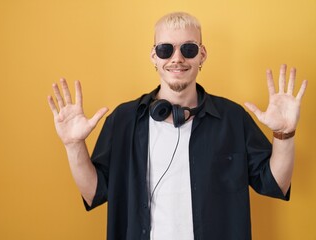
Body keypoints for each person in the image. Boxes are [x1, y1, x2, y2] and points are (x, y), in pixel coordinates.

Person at [47, 12, 308, 240]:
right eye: (165, 49)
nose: (177, 58)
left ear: (202, 54)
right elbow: (94, 192)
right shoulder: (123, 120)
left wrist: (284, 134)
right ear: (154, 56)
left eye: (189, 49)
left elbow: (276, 184)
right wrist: (73, 145)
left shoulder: (232, 118)